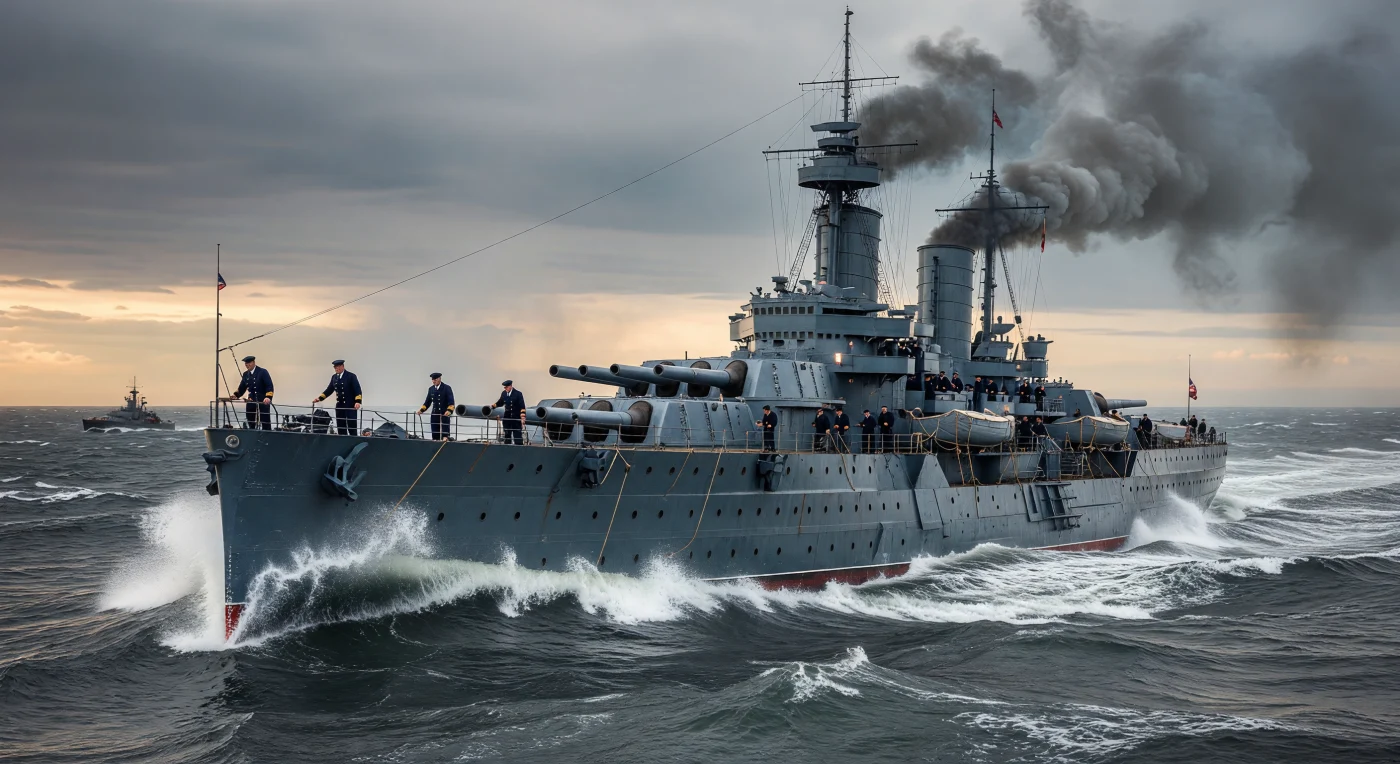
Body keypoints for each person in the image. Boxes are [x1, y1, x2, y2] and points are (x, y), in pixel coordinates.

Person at [313, 359, 362, 435]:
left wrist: (358, 402)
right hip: (340, 405)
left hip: (350, 405)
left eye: (338, 367)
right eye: (335, 367)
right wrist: (319, 398)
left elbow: (357, 390)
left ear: (343, 366)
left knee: (351, 425)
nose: (336, 369)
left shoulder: (351, 376)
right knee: (341, 426)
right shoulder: (334, 377)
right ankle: (342, 441)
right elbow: (329, 389)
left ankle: (354, 440)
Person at [233, 355, 274, 430]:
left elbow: (269, 385)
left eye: (249, 363)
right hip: (251, 399)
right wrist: (236, 395)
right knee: (250, 417)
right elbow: (242, 387)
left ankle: (267, 434)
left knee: (265, 419)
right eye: (246, 363)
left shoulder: (262, 372)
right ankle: (252, 431)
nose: (247, 365)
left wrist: (268, 397)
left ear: (253, 362)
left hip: (263, 400)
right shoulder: (246, 374)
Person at [419, 372, 455, 441]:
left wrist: (449, 411)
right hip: (435, 415)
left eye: (435, 380)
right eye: (432, 380)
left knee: (445, 434)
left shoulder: (446, 388)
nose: (433, 381)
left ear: (439, 379)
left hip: (444, 414)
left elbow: (451, 402)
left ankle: (445, 439)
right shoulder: (431, 389)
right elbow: (427, 402)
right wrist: (421, 410)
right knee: (435, 434)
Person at [495, 380, 527, 445]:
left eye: (506, 387)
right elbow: (500, 402)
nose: (505, 389)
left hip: (516, 418)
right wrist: (493, 406)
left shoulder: (518, 394)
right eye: (505, 387)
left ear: (510, 386)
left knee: (517, 435)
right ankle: (507, 449)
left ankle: (519, 449)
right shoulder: (504, 394)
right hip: (507, 418)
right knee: (507, 435)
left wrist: (522, 417)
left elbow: (522, 406)